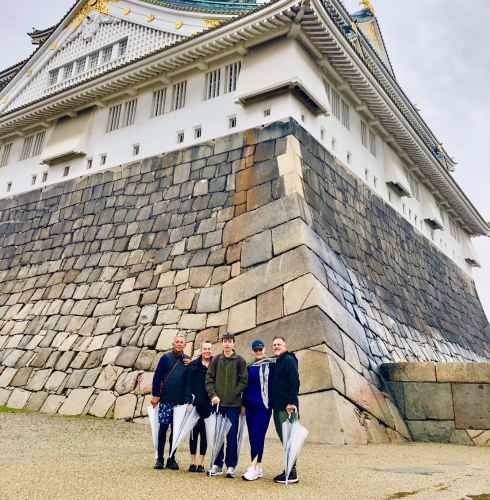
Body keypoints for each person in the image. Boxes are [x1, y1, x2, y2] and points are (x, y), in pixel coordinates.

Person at [206, 333, 248, 479]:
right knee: (217, 435)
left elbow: (244, 381)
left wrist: (233, 394)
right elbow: (209, 379)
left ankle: (231, 466)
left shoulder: (240, 361)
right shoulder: (216, 360)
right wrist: (213, 395)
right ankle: (217, 465)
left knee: (231, 436)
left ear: (234, 344)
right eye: (225, 341)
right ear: (222, 343)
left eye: (230, 341)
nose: (227, 344)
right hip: (218, 405)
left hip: (233, 405)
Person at [151, 333, 191, 470]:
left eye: (182, 342)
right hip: (166, 399)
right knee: (163, 428)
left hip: (179, 402)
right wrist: (156, 395)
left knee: (176, 431)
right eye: (177, 341)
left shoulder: (187, 361)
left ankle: (172, 458)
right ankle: (160, 458)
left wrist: (187, 401)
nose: (179, 344)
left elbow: (188, 383)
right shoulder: (165, 358)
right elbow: (157, 377)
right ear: (173, 344)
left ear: (185, 345)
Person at [241, 339, 275, 481]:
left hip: (264, 406)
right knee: (252, 436)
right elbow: (245, 386)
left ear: (265, 349)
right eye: (256, 350)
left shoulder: (272, 365)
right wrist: (243, 405)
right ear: (253, 351)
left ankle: (253, 467)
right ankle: (258, 466)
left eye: (260, 349)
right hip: (250, 406)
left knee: (258, 434)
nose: (258, 352)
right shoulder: (250, 367)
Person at [270, 336, 300, 484]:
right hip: (278, 406)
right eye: (274, 345)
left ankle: (292, 473)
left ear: (285, 345)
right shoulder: (278, 362)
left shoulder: (288, 360)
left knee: (289, 439)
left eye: (279, 344)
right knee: (285, 439)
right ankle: (289, 469)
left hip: (286, 407)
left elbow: (295, 381)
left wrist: (291, 402)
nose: (276, 346)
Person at [185, 341, 213, 473]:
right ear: (201, 350)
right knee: (193, 433)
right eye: (205, 349)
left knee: (205, 434)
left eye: (209, 349)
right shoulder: (193, 365)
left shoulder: (215, 365)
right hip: (195, 404)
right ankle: (193, 462)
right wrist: (190, 402)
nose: (207, 351)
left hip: (208, 404)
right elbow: (188, 385)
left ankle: (201, 463)